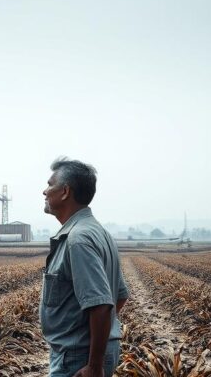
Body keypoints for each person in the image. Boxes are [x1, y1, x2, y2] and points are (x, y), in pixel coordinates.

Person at [40, 157, 128, 377]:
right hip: (85, 352)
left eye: (50, 185)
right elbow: (120, 295)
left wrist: (94, 364)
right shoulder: (99, 232)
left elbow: (101, 305)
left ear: (65, 192)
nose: (44, 191)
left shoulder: (78, 238)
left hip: (78, 357)